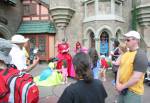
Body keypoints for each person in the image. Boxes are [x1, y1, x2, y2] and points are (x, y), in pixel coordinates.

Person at [116, 31, 148, 103]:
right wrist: (117, 83)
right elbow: (120, 68)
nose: (125, 42)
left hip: (133, 92)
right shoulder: (126, 54)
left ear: (136, 41)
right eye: (125, 40)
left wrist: (121, 87)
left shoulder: (140, 55)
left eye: (128, 40)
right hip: (122, 89)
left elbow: (136, 78)